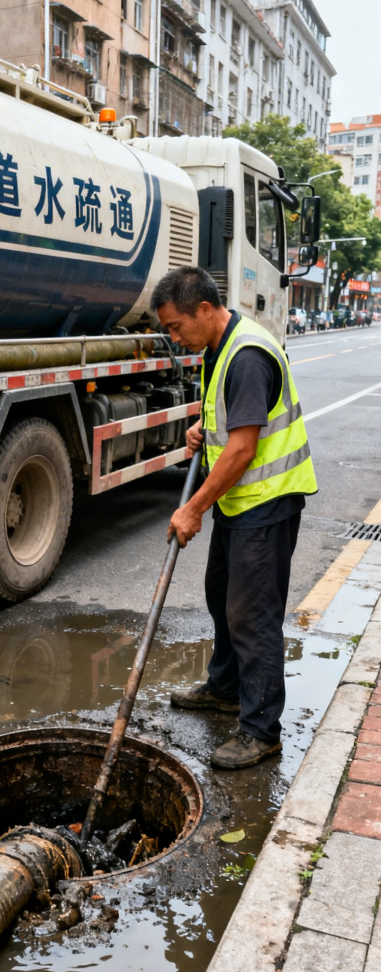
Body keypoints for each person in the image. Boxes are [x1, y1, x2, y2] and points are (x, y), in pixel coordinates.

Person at [151, 267, 317, 770]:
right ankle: (225, 689)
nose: (174, 338)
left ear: (204, 309)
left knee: (253, 615)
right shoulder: (219, 346)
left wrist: (192, 507)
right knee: (222, 595)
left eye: (176, 326)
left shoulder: (246, 355)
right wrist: (205, 428)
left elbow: (243, 449)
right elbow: (233, 421)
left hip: (266, 504)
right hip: (239, 503)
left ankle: (261, 730)